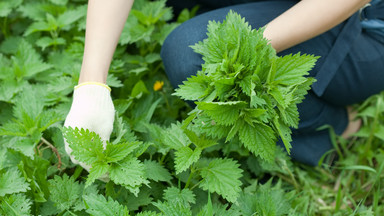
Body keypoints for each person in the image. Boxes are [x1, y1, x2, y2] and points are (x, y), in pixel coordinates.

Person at [64, 0, 384, 168]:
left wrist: (246, 51)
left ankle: (334, 129)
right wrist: (91, 84)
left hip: (361, 20)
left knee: (192, 57)